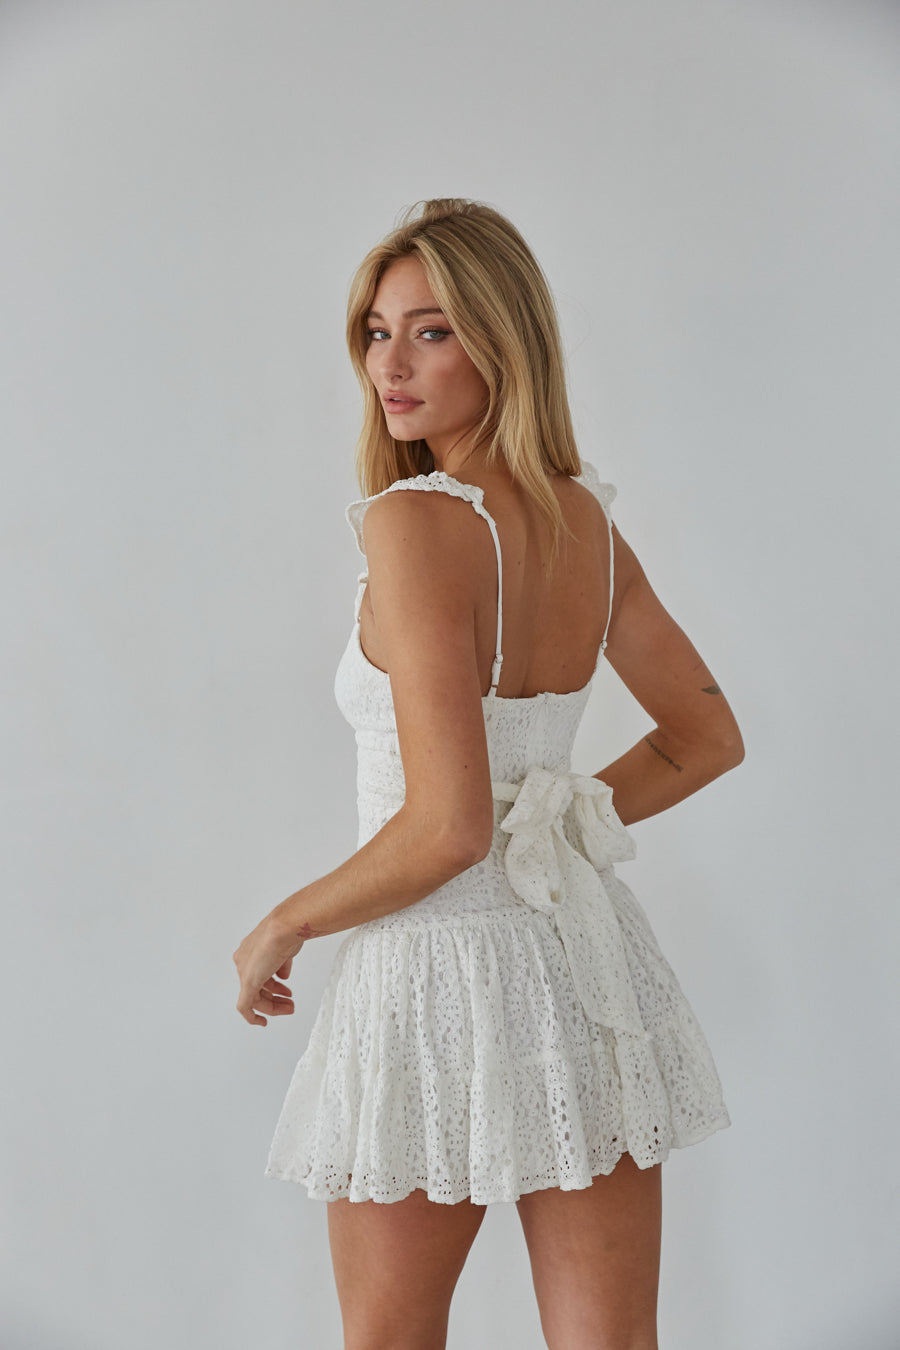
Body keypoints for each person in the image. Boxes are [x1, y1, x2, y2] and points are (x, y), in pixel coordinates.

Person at [233, 197, 744, 1350]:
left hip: (430, 976)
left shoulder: (415, 523)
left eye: (432, 331)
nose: (391, 365)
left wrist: (285, 922)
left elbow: (448, 828)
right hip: (584, 961)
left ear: (504, 342)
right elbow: (703, 733)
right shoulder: (585, 522)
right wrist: (556, 823)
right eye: (377, 332)